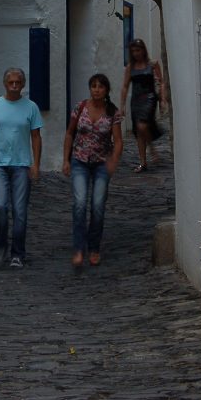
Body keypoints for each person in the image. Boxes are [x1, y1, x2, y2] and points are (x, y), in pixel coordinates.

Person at [0, 67, 43, 270]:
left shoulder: (31, 107)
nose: (14, 86)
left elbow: (36, 136)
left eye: (18, 83)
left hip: (21, 164)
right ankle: (1, 247)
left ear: (23, 85)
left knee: (20, 211)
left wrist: (36, 164)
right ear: (5, 84)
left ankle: (18, 252)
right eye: (11, 83)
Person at [62, 74, 123, 268]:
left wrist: (114, 160)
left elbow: (119, 141)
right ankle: (79, 248)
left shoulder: (113, 112)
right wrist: (65, 159)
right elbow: (70, 133)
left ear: (106, 90)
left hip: (101, 164)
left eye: (100, 87)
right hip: (79, 161)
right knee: (79, 203)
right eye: (93, 86)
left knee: (97, 206)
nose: (96, 90)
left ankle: (94, 247)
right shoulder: (80, 108)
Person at [120, 38, 167, 173]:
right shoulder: (130, 67)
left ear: (143, 50)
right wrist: (122, 105)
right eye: (133, 51)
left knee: (143, 125)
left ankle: (152, 149)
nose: (136, 53)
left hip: (149, 98)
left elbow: (161, 82)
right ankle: (143, 163)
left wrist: (162, 98)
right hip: (136, 100)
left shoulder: (152, 64)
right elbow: (125, 86)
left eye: (138, 50)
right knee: (139, 132)